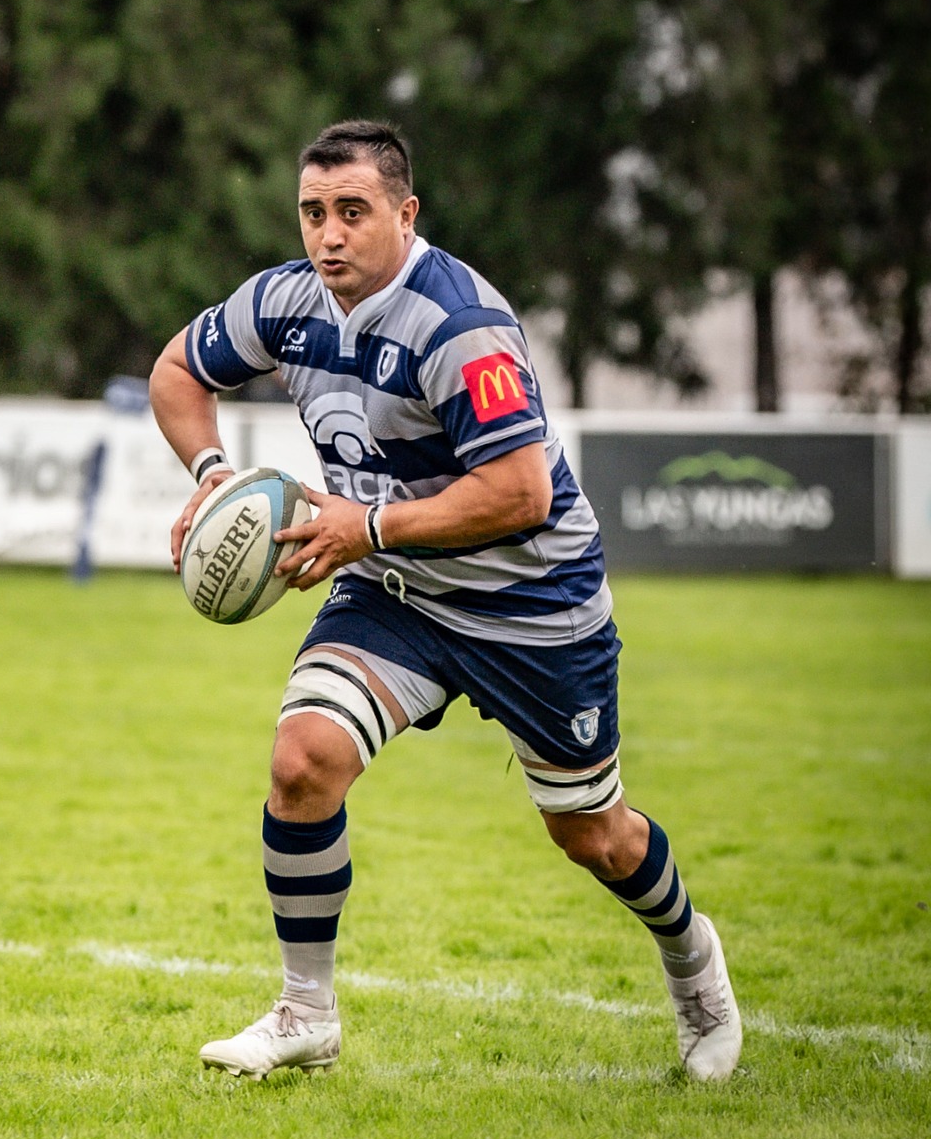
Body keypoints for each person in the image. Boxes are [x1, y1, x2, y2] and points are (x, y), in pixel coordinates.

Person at [149, 119, 741, 1083]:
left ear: (405, 213)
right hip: (398, 593)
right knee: (304, 761)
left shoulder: (461, 325)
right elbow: (176, 370)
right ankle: (306, 1011)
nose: (328, 235)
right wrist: (213, 474)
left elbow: (522, 494)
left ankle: (691, 962)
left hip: (532, 602)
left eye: (353, 212)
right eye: (312, 213)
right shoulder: (286, 303)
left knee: (591, 832)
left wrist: (366, 526)